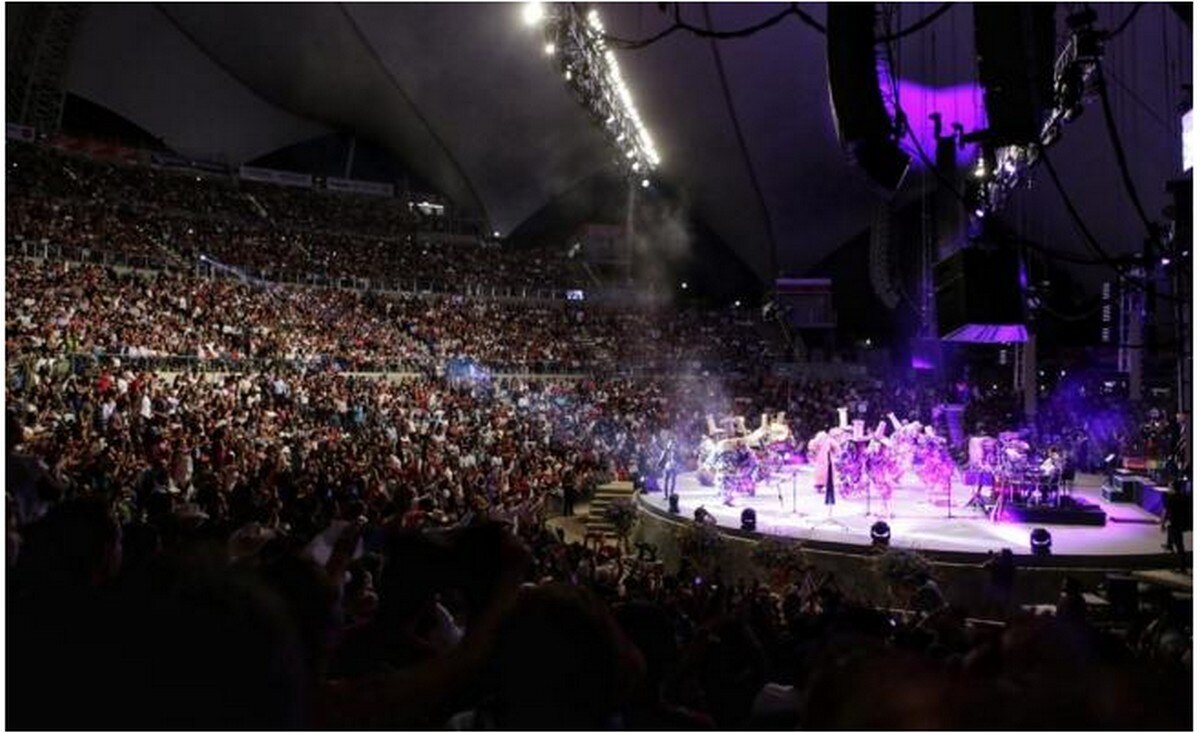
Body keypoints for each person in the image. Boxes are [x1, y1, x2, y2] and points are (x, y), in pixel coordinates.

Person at [1161, 480, 1190, 573]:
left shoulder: (1171, 498)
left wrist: (1162, 524)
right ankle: (1169, 545)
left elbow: (1165, 512)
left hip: (1175, 523)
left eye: (1169, 487)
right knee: (1171, 530)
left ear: (1173, 488)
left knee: (1179, 546)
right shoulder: (1185, 497)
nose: (1168, 488)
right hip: (1182, 522)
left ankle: (1183, 568)